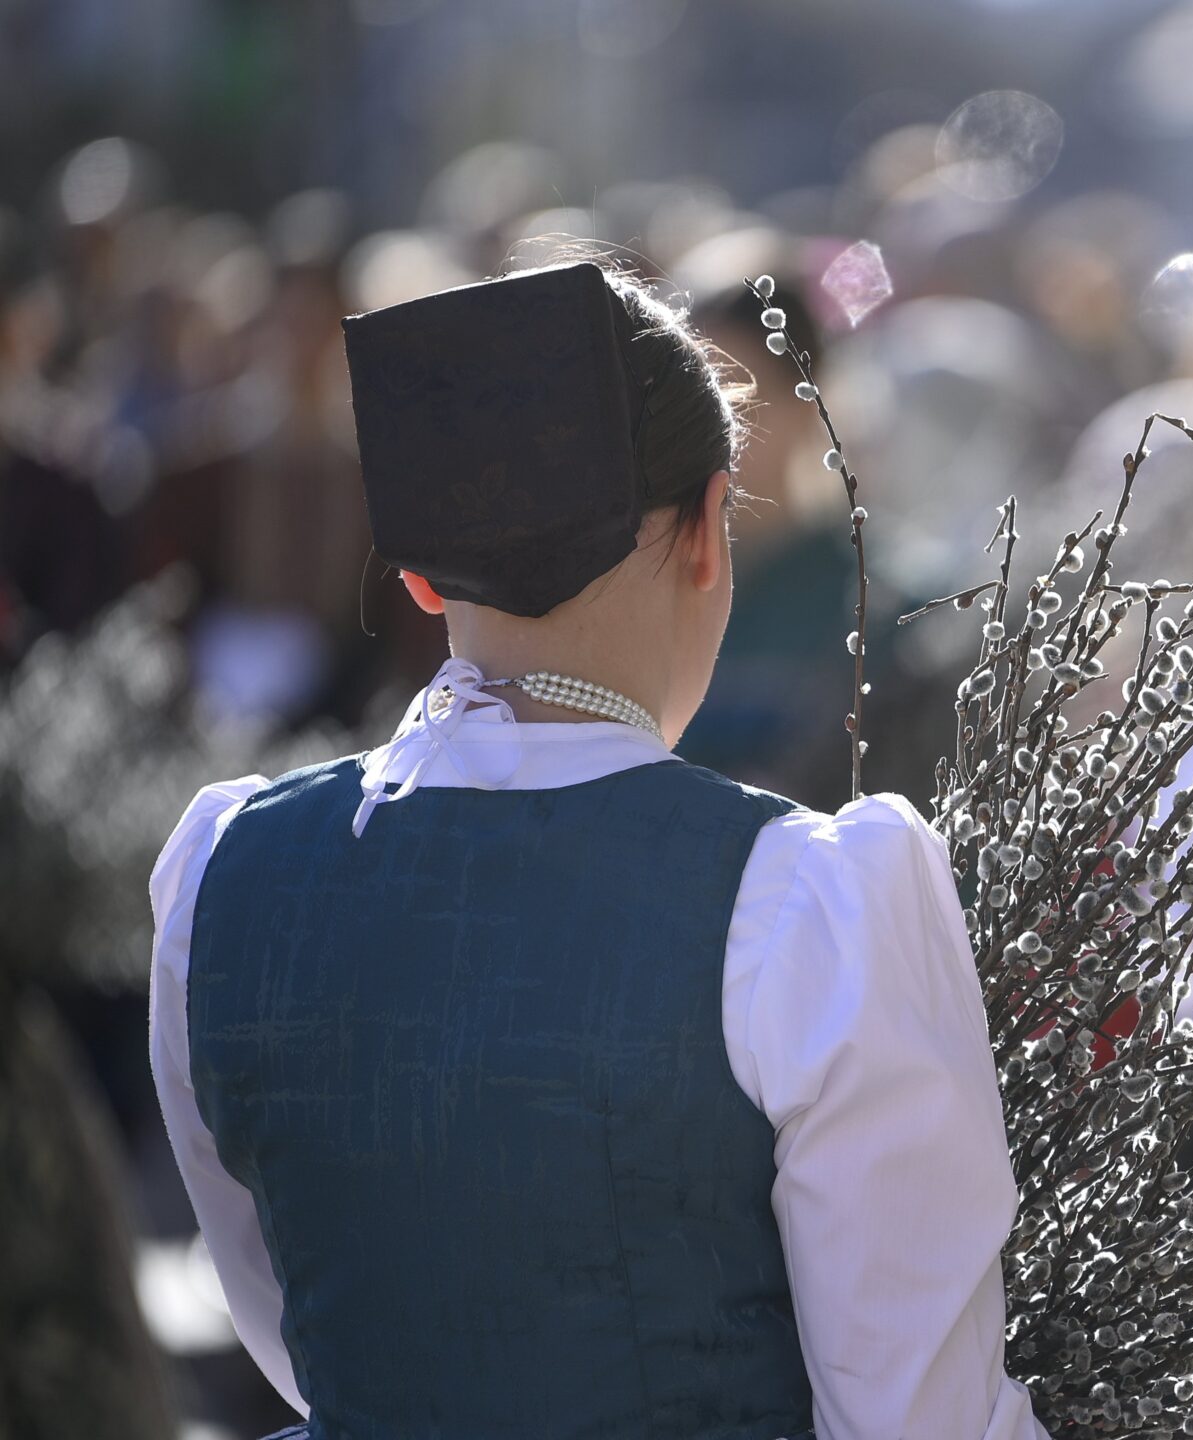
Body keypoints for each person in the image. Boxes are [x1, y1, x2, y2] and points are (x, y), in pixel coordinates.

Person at [146, 262, 1045, 1440]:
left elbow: (294, 1331)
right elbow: (917, 1418)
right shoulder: (804, 900)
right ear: (712, 533)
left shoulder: (225, 871)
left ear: (419, 575)